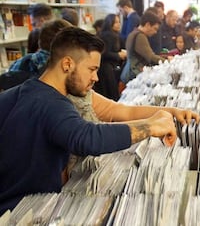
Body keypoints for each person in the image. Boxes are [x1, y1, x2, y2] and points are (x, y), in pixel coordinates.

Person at [0, 27, 178, 214]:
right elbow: (87, 138)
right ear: (67, 64)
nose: (96, 77)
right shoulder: (52, 104)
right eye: (92, 69)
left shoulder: (19, 93)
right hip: (21, 213)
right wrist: (151, 126)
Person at [121, 11, 167, 83]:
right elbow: (150, 56)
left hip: (129, 71)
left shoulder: (134, 33)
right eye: (155, 28)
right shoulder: (140, 36)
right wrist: (167, 61)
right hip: (133, 74)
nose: (155, 32)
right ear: (148, 24)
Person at [93, 14, 126, 101]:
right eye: (115, 22)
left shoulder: (115, 35)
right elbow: (104, 53)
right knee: (110, 95)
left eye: (119, 22)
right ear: (109, 23)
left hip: (108, 69)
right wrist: (118, 55)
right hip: (106, 70)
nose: (118, 24)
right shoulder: (107, 36)